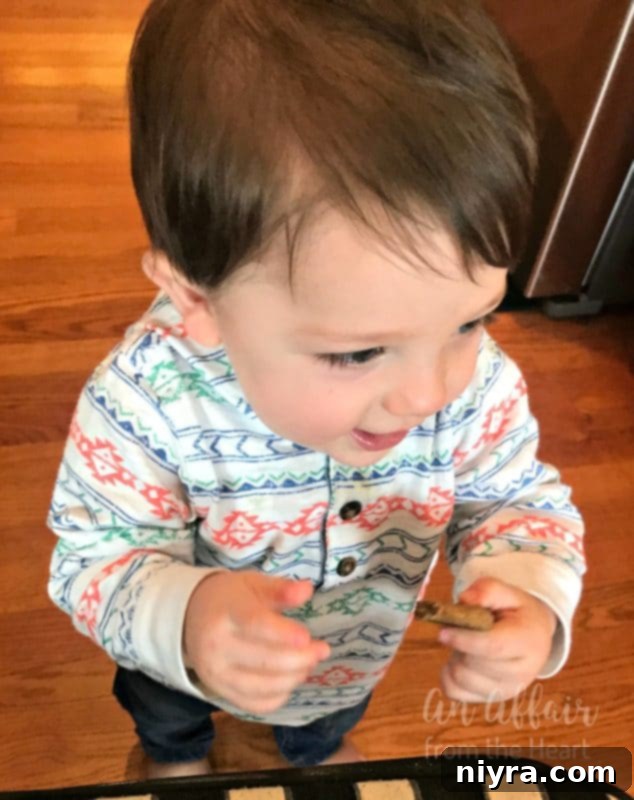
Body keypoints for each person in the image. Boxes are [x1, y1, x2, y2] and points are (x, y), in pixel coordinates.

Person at [46, 0, 586, 780]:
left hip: (346, 653)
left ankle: (315, 748)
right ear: (198, 299)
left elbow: (514, 503)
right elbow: (94, 556)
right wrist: (186, 616)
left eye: (473, 320)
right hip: (178, 658)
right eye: (359, 351)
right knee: (167, 721)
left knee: (321, 731)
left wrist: (532, 594)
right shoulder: (144, 401)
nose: (430, 392)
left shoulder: (477, 386)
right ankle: (173, 760)